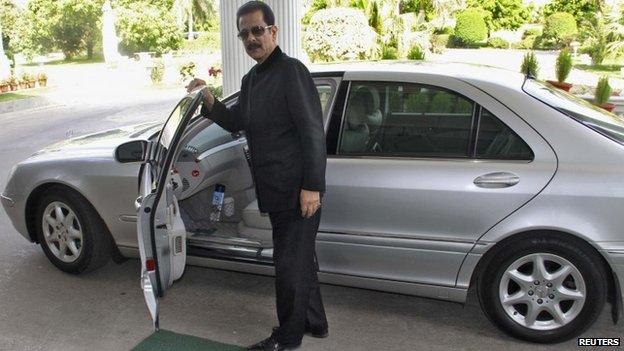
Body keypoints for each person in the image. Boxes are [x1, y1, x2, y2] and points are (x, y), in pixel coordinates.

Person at [186, 2, 328, 350]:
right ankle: (314, 322)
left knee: (289, 266)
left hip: (297, 191)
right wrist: (208, 98)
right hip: (275, 190)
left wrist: (312, 186)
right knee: (300, 260)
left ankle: (286, 338)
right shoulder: (252, 80)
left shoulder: (291, 71)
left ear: (273, 32)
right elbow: (237, 122)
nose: (251, 38)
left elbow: (312, 132)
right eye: (244, 33)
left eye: (257, 30)